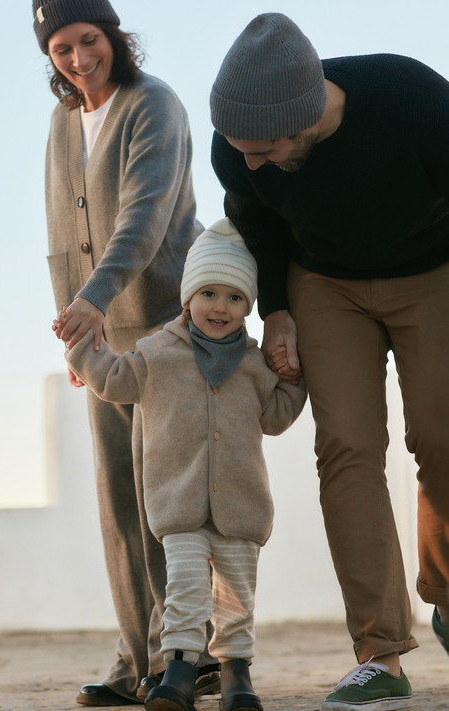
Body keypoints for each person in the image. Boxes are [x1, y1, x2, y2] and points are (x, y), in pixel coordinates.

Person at [209, 12, 449, 711]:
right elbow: (256, 223)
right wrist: (276, 308)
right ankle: (378, 653)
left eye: (264, 148)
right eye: (238, 148)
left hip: (431, 270)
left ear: (307, 117)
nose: (249, 162)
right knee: (345, 446)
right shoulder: (240, 150)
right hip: (324, 283)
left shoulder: (414, 103)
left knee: (439, 433)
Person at [32, 0, 221, 704]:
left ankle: (186, 652)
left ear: (113, 36)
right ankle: (136, 653)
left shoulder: (154, 105)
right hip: (101, 332)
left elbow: (144, 218)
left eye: (89, 40)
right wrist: (78, 331)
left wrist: (96, 300)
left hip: (165, 327)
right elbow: (60, 233)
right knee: (118, 498)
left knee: (163, 498)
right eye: (61, 49)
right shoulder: (61, 122)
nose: (79, 58)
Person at [64, 217, 307, 711]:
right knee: (186, 592)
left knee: (236, 599)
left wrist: (295, 378)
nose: (221, 306)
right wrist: (80, 349)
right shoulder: (157, 354)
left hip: (241, 508)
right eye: (210, 293)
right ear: (188, 296)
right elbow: (112, 379)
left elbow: (277, 417)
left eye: (235, 298)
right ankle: (177, 672)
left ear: (248, 306)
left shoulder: (255, 364)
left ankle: (237, 675)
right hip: (178, 505)